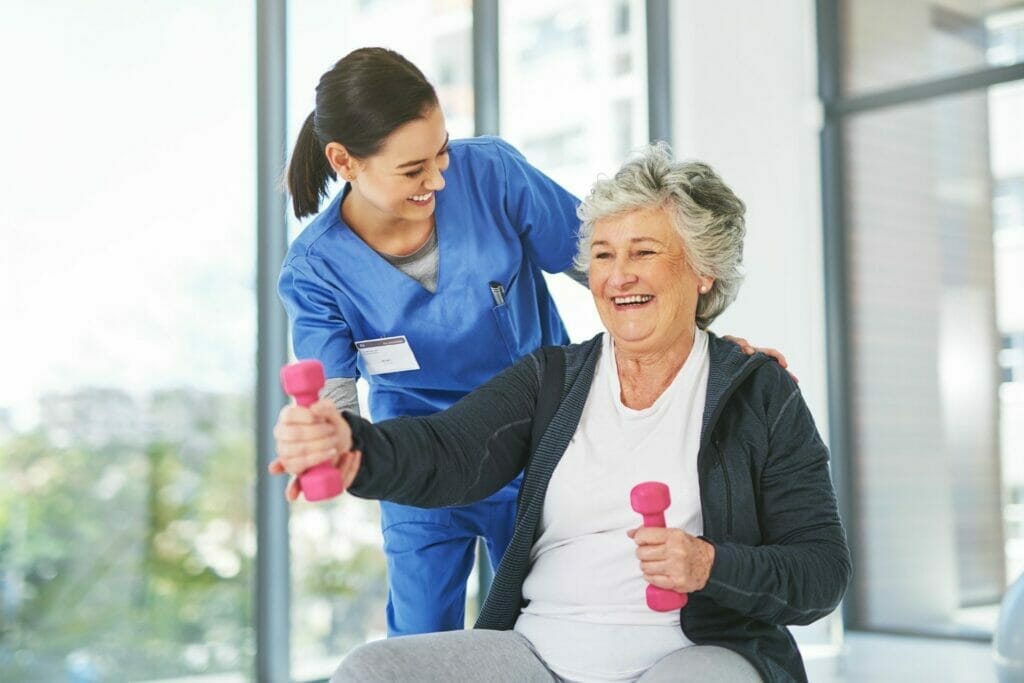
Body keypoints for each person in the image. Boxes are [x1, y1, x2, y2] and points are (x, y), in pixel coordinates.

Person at [271, 144, 852, 682]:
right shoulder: (552, 379)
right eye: (603, 254)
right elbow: (450, 452)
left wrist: (708, 565)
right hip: (537, 653)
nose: (618, 275)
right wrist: (350, 447)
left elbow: (821, 573)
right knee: (372, 673)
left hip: (691, 654)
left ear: (704, 272)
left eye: (643, 252)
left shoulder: (760, 394)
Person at [275, 46, 788, 638]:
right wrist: (324, 447)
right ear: (345, 161)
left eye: (442, 152)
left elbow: (612, 271)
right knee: (420, 638)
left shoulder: (491, 175)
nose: (439, 178)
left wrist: (705, 348)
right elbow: (331, 401)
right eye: (413, 169)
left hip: (535, 441)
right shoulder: (315, 269)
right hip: (422, 455)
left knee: (533, 627)